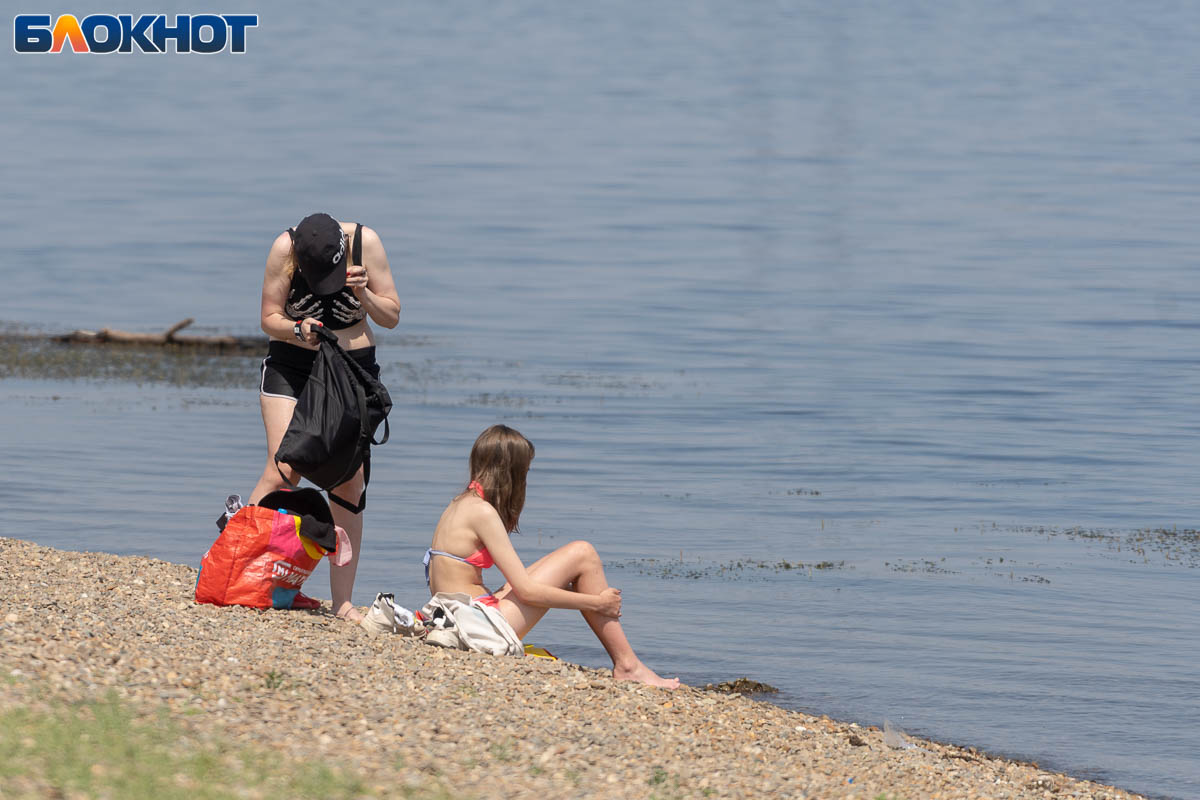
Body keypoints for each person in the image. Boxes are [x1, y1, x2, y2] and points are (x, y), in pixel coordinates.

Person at [425, 424, 680, 688]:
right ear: (511, 473)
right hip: (478, 628)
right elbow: (527, 593)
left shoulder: (458, 504)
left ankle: (628, 664)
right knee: (584, 553)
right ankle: (628, 665)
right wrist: (596, 603)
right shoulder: (483, 513)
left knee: (571, 565)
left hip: (452, 615)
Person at [248, 212, 401, 622]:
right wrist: (298, 330)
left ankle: (343, 603)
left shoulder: (365, 243)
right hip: (292, 366)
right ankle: (246, 570)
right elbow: (268, 317)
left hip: (351, 369)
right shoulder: (284, 248)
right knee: (284, 468)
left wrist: (365, 295)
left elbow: (392, 316)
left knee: (350, 483)